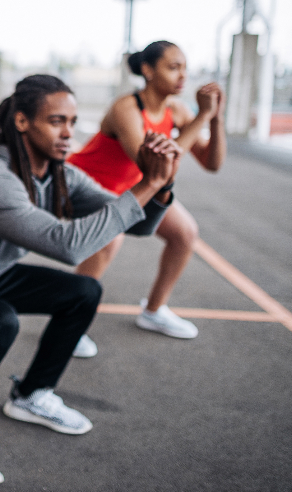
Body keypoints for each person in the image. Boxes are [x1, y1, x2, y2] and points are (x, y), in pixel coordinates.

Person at [0, 74, 180, 489]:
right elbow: (69, 246)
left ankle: (32, 395)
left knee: (83, 291)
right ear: (24, 122)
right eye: (56, 121)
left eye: (73, 121)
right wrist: (147, 184)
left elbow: (136, 224)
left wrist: (162, 182)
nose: (68, 133)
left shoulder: (59, 174)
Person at [68, 41, 226, 342]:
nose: (182, 75)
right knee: (108, 243)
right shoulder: (126, 108)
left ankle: (154, 311)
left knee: (185, 233)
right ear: (147, 70)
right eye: (173, 67)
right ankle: (70, 326)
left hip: (135, 186)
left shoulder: (176, 110)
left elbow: (212, 164)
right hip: (89, 184)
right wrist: (202, 118)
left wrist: (215, 118)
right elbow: (154, 163)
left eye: (184, 68)